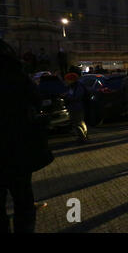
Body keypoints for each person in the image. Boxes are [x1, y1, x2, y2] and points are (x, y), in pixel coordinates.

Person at [0, 40, 53, 233]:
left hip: (13, 148)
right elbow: (36, 101)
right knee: (23, 198)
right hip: (17, 148)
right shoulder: (17, 77)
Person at [63, 73, 88, 144]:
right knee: (77, 123)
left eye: (67, 80)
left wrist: (67, 97)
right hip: (74, 107)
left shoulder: (78, 86)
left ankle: (83, 138)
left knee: (78, 123)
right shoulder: (72, 86)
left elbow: (77, 97)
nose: (66, 81)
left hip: (77, 107)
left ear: (72, 80)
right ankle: (82, 137)